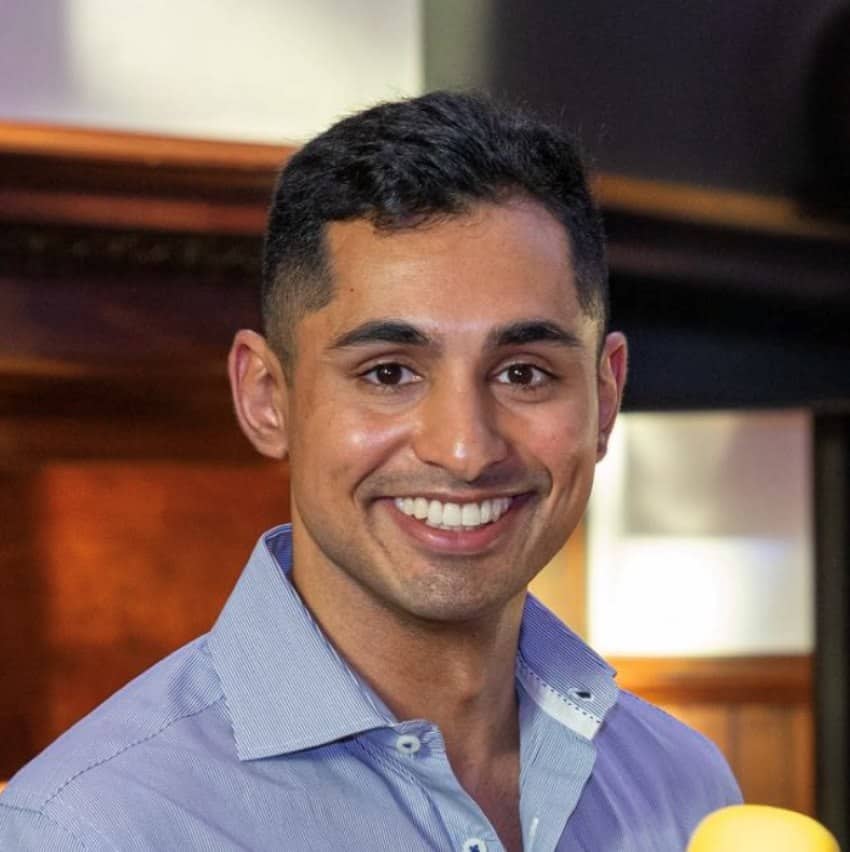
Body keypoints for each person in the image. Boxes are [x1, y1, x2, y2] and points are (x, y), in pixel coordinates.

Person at [0, 91, 741, 851]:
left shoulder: (687, 789)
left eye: (523, 374)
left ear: (605, 396)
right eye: (389, 373)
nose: (465, 449)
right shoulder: (88, 830)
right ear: (266, 398)